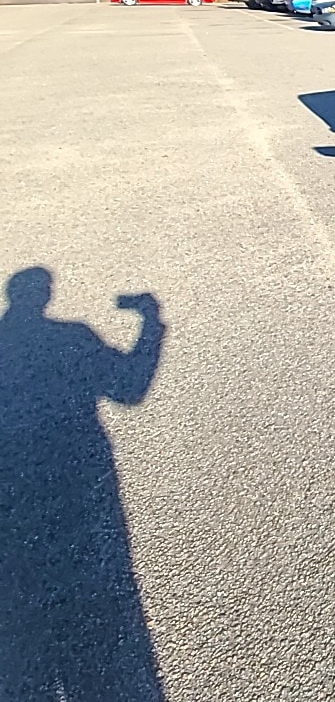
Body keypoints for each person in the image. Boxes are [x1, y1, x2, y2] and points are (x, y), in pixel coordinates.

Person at [0, 266, 166, 701]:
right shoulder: (71, 337)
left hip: (10, 485)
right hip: (80, 474)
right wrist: (151, 323)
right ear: (45, 296)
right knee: (96, 580)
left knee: (19, 595)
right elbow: (130, 387)